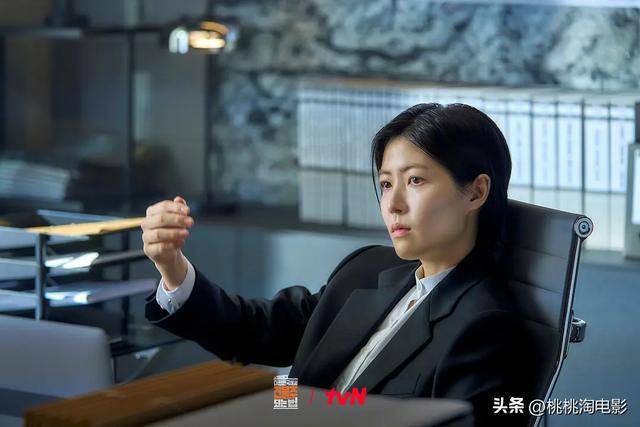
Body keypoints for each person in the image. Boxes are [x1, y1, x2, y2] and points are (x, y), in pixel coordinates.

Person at [141, 103, 541, 426]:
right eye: (386, 183)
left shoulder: (488, 329)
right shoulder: (365, 270)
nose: (392, 204)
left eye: (415, 180)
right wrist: (172, 267)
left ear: (475, 193)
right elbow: (256, 330)